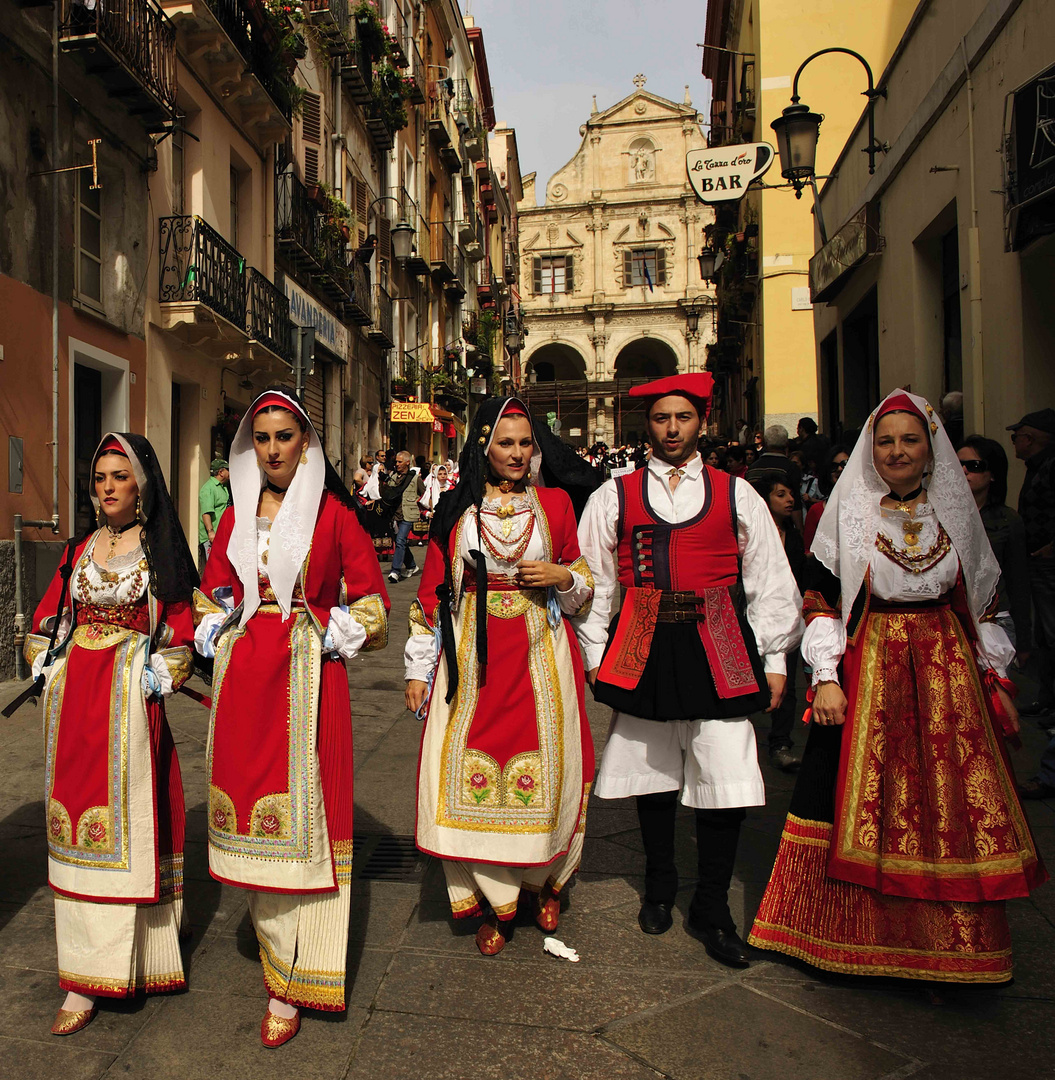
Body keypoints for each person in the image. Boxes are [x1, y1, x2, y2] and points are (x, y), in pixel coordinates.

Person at [749, 390, 1046, 984]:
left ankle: (954, 949)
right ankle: (849, 939)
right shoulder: (849, 517)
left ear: (929, 448)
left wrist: (995, 677)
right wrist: (826, 679)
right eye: (886, 441)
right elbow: (822, 600)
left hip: (948, 676)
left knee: (947, 804)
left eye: (910, 439)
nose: (897, 451)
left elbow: (982, 606)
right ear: (871, 451)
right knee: (860, 800)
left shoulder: (957, 518)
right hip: (871, 667)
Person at [575, 373, 803, 968]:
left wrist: (775, 656)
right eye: (660, 419)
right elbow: (596, 580)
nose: (671, 429)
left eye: (682, 418)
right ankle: (657, 883)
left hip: (721, 640)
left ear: (701, 422)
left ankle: (711, 906)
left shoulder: (738, 492)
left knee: (725, 775)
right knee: (651, 772)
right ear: (645, 425)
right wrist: (593, 653)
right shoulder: (613, 495)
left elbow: (770, 577)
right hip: (642, 639)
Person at [194, 388, 389, 1047]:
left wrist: (331, 629)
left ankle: (295, 977)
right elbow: (209, 591)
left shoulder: (334, 517)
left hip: (309, 681)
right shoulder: (235, 519)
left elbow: (372, 605)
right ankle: (274, 935)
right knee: (253, 814)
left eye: (285, 436)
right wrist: (212, 627)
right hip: (245, 681)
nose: (274, 448)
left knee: (312, 821)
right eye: (264, 438)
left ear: (306, 442)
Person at [405, 397, 599, 955]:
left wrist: (562, 574)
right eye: (505, 443)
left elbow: (584, 584)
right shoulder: (458, 508)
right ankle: (496, 900)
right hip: (475, 659)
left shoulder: (557, 504)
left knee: (552, 766)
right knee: (469, 768)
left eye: (525, 443)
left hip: (541, 650)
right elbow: (430, 596)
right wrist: (420, 669)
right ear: (484, 447)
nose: (516, 454)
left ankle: (544, 884)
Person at [24, 433, 198, 1035]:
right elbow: (51, 620)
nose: (106, 487)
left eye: (119, 476)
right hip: (77, 712)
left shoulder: (161, 554)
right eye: (99, 477)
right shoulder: (79, 551)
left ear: (141, 485)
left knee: (135, 826)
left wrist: (159, 673)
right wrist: (44, 658)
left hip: (131, 708)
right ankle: (82, 974)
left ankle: (141, 959)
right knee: (78, 830)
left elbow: (181, 625)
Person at [750, 475, 806, 772]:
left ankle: (781, 742)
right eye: (780, 494)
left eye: (791, 494)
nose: (789, 500)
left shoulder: (794, 535)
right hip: (751, 618)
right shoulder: (750, 534)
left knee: (788, 684)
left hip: (789, 617)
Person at [958, 436, 1032, 656]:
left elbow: (1018, 580)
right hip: (952, 620)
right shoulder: (938, 516)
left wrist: (1025, 640)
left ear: (992, 474)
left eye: (974, 466)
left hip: (996, 619)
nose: (964, 470)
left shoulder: (1008, 520)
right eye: (958, 463)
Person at [1008, 409, 1055, 719]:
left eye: (1016, 437)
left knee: (1052, 632)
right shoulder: (1036, 466)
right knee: (1045, 635)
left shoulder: (1052, 467)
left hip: (1048, 564)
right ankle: (1047, 699)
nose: (1014, 443)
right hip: (1037, 561)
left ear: (1030, 438)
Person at [747, 425, 803, 529]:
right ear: (786, 444)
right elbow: (796, 504)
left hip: (756, 524)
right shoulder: (791, 468)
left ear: (765, 443)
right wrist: (800, 531)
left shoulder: (752, 469)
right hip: (784, 526)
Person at [803, 445, 850, 553]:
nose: (839, 469)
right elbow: (807, 550)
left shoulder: (868, 507)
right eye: (834, 466)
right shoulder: (816, 510)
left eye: (844, 464)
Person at [387, 451, 425, 583]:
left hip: (408, 514)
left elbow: (424, 495)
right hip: (394, 514)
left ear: (407, 462)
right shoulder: (393, 476)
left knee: (401, 540)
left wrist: (417, 503)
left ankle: (395, 571)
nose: (397, 464)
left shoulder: (415, 478)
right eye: (396, 462)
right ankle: (412, 565)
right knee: (399, 541)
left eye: (399, 462)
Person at [198, 457, 230, 570]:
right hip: (212, 536)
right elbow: (206, 512)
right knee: (213, 567)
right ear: (221, 472)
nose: (230, 472)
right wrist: (210, 532)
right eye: (228, 469)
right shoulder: (208, 488)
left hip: (221, 534)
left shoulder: (223, 487)